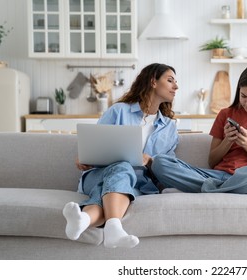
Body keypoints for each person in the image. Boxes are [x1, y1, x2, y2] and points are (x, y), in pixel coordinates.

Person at [62, 63, 179, 249]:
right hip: (100, 174)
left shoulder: (170, 127)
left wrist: (151, 161)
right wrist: (83, 157)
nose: (176, 86)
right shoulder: (119, 111)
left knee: (111, 196)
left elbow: (169, 166)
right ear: (153, 82)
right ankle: (114, 229)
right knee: (123, 167)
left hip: (140, 184)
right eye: (170, 80)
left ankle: (83, 220)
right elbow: (94, 143)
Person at [152, 64, 247, 194]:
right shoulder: (225, 114)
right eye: (244, 96)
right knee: (159, 162)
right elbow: (212, 161)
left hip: (246, 178)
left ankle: (206, 189)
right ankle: (220, 189)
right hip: (214, 176)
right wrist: (227, 141)